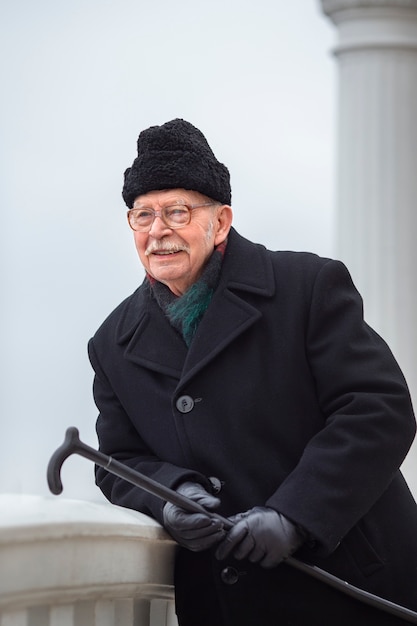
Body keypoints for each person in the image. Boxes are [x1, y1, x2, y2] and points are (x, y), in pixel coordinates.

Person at [89, 118, 417, 626]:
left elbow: (378, 410)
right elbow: (120, 459)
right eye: (142, 215)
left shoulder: (308, 286)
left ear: (220, 223)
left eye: (177, 211)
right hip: (226, 606)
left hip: (356, 591)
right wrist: (174, 498)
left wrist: (294, 515)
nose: (158, 231)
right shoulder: (110, 342)